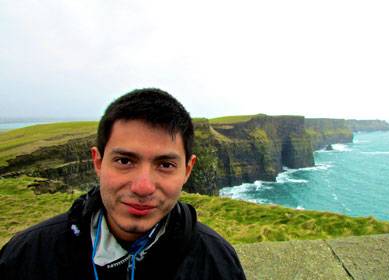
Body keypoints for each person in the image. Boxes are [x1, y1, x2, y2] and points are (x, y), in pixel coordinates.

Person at [0, 88, 246, 279]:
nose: (143, 187)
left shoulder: (217, 261)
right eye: (125, 160)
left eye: (165, 165)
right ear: (98, 161)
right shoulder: (27, 256)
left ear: (187, 170)